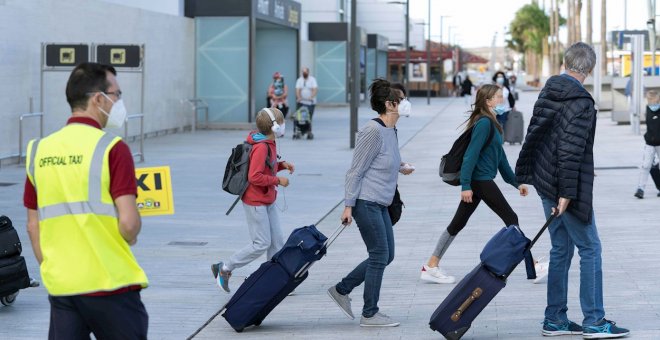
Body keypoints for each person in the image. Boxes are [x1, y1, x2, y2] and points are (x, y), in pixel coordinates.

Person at [23, 62, 149, 339]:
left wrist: (54, 268)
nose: (119, 102)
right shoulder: (113, 149)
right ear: (98, 99)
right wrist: (131, 232)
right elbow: (128, 223)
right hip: (110, 282)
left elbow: (34, 226)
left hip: (63, 286)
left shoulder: (38, 151)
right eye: (117, 94)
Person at [515, 42, 630, 338]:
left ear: (566, 64)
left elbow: (534, 135)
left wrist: (531, 176)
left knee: (561, 249)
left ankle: (555, 319)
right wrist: (566, 194)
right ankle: (594, 320)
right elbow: (569, 150)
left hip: (545, 182)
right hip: (565, 187)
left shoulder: (548, 90)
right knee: (590, 248)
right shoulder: (580, 101)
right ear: (589, 70)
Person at [327, 79, 414, 327]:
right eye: (402, 99)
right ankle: (370, 313)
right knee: (379, 255)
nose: (406, 103)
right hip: (366, 202)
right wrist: (348, 205)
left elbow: (385, 159)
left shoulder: (391, 130)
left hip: (381, 202)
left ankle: (342, 290)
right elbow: (355, 171)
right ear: (389, 104)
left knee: (387, 255)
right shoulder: (372, 131)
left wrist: (401, 166)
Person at [420, 84, 528, 284]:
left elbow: (501, 158)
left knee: (457, 223)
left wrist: (516, 183)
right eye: (498, 96)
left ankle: (431, 265)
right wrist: (466, 186)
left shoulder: (493, 122)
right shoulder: (484, 123)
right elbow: (470, 156)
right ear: (488, 101)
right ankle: (532, 266)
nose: (502, 98)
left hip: (481, 180)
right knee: (511, 218)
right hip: (480, 181)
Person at [211, 107, 295, 293]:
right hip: (256, 201)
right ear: (275, 128)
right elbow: (254, 176)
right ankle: (224, 268)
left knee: (277, 241)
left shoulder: (267, 142)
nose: (284, 125)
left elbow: (266, 167)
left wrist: (281, 165)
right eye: (281, 122)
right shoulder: (261, 147)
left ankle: (275, 280)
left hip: (267, 198)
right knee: (261, 243)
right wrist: (277, 180)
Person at [634, 90, 660, 198]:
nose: (650, 103)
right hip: (650, 142)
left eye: (652, 100)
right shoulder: (648, 109)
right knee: (646, 165)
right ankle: (640, 188)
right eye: (649, 100)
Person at [295, 67, 318, 137]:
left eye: (305, 72)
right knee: (299, 117)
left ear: (308, 72)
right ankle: (299, 130)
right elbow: (297, 89)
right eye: (303, 72)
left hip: (310, 102)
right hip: (301, 102)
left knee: (308, 117)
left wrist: (311, 97)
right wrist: (298, 97)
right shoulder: (299, 80)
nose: (304, 73)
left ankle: (308, 131)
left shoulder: (312, 80)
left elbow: (315, 89)